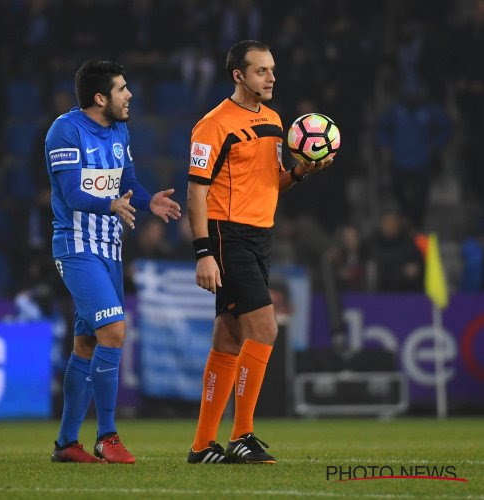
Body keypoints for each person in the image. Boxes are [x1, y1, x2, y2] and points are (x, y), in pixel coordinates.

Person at [186, 40, 332, 464]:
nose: (271, 77)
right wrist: (203, 252)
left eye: (272, 70)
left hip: (259, 236)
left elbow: (272, 184)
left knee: (229, 337)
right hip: (226, 235)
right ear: (238, 75)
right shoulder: (211, 125)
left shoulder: (274, 121)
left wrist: (301, 172)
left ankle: (201, 446)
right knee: (265, 329)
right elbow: (197, 193)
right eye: (261, 71)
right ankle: (242, 435)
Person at [47, 60, 180, 464]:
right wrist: (111, 203)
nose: (130, 95)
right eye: (122, 89)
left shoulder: (120, 129)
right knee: (115, 330)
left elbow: (128, 182)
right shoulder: (65, 130)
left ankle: (68, 443)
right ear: (100, 97)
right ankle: (108, 435)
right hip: (76, 246)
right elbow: (71, 194)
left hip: (110, 250)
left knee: (87, 343)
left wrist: (147, 199)